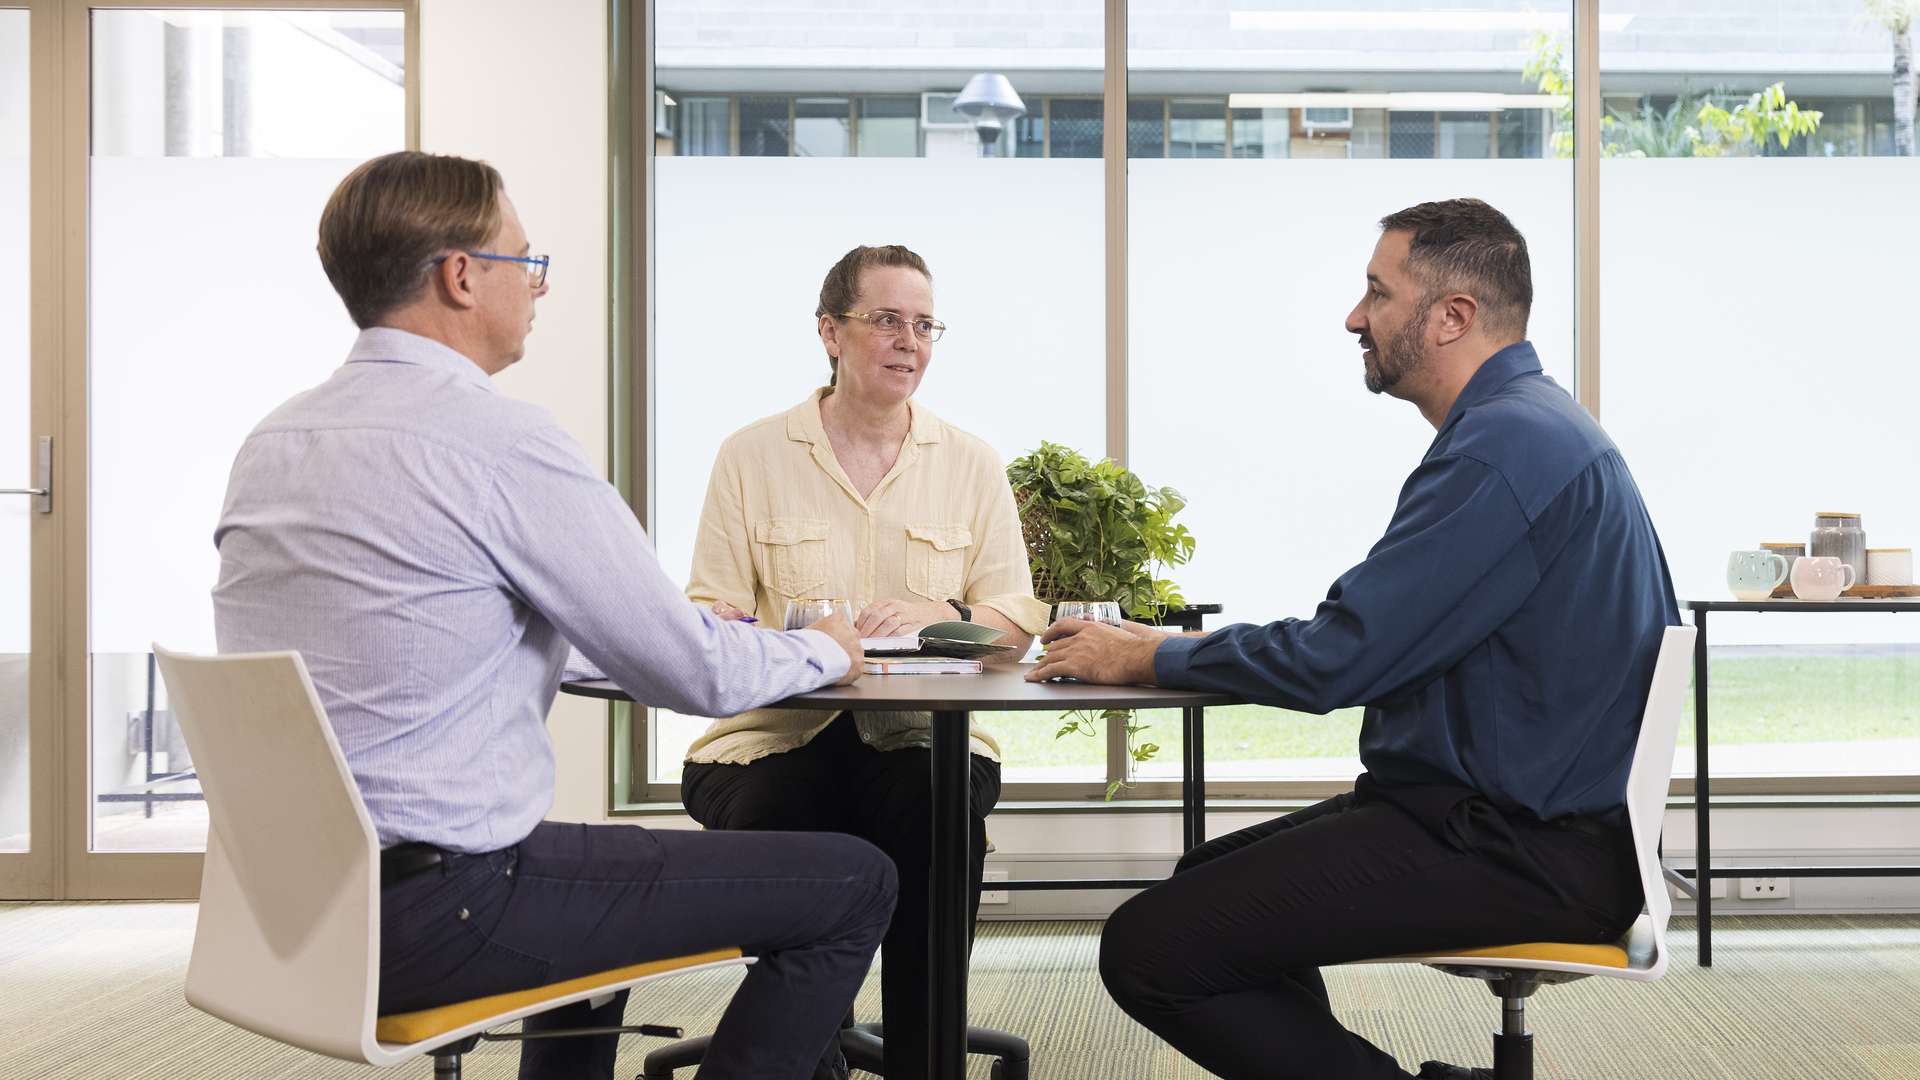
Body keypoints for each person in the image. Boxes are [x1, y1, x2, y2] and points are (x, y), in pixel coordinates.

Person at [212, 150, 897, 1080]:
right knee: (857, 882)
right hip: (445, 907)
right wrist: (819, 646)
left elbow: (417, 637)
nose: (537, 288)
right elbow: (699, 678)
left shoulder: (276, 439)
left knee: (600, 893)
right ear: (462, 275)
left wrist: (667, 644)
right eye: (525, 262)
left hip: (298, 912)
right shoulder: (498, 442)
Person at [1028, 199, 1680, 1080]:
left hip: (1522, 847)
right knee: (1202, 883)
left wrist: (1149, 654)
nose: (1355, 316)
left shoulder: (1503, 451)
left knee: (1151, 948)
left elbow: (1341, 656)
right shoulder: (1527, 426)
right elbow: (1378, 638)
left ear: (1452, 317)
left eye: (1377, 292)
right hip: (1519, 822)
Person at [676, 244, 1051, 1076]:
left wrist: (946, 617)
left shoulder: (971, 463)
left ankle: (926, 1058)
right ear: (829, 333)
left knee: (936, 815)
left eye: (924, 325)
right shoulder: (752, 455)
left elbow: (1015, 625)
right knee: (779, 815)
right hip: (769, 737)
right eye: (885, 320)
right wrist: (755, 632)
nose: (907, 340)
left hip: (926, 735)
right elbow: (709, 613)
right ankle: (805, 1058)